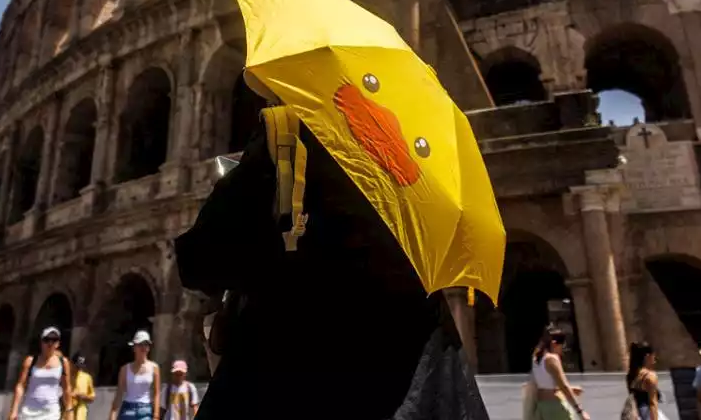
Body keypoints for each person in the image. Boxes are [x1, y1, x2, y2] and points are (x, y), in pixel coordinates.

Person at [175, 116, 490, 419]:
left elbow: (202, 261)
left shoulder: (287, 134)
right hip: (416, 382)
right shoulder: (417, 144)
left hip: (294, 371)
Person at [8, 327, 73, 420]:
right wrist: (14, 411)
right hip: (29, 412)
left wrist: (69, 410)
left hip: (51, 413)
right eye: (46, 340)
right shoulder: (30, 361)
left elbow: (66, 388)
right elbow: (21, 385)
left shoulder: (63, 362)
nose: (50, 343)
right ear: (41, 342)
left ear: (58, 343)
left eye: (54, 340)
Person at [531, 327, 589, 420]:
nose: (562, 350)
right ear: (554, 344)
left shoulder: (536, 359)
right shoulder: (552, 359)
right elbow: (564, 386)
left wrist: (571, 389)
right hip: (556, 405)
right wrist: (580, 411)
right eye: (562, 346)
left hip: (543, 406)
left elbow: (545, 383)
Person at [107, 331, 159, 420]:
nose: (143, 347)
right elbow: (119, 393)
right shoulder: (124, 369)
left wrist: (156, 415)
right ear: (134, 347)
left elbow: (156, 393)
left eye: (146, 344)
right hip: (128, 408)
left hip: (145, 409)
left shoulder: (154, 367)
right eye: (140, 344)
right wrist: (113, 412)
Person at [623, 341, 663, 420]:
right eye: (653, 354)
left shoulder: (631, 375)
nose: (654, 357)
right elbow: (652, 403)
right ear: (647, 356)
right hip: (648, 415)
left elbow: (633, 398)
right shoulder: (650, 376)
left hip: (636, 414)